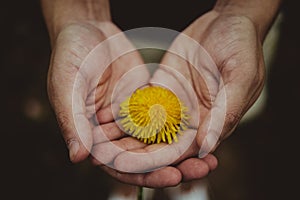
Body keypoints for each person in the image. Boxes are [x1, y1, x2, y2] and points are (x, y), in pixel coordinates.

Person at [41, 0, 282, 188]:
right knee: (106, 129)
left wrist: (243, 10)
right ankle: (124, 187)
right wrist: (82, 12)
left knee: (217, 117)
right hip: (116, 31)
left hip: (219, 31)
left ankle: (190, 185)